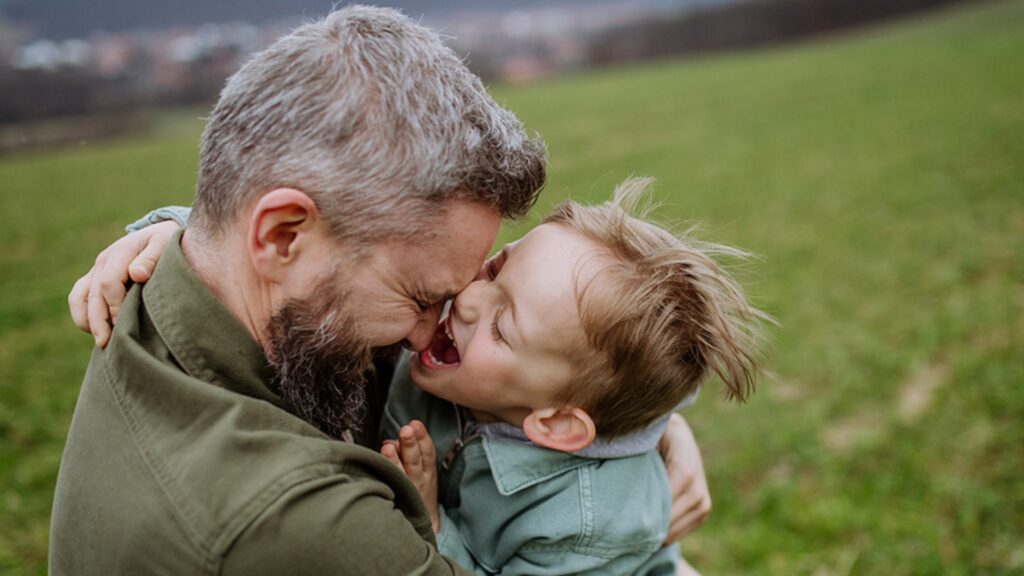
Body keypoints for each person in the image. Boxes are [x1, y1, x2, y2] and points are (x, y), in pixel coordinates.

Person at [57, 6, 710, 575]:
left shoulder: (190, 283)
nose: (435, 328)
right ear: (281, 237)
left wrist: (642, 435)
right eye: (423, 296)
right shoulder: (305, 520)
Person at [379, 178, 767, 575]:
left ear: (557, 422)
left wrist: (430, 523)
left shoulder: (587, 521)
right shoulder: (471, 364)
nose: (467, 299)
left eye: (501, 328)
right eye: (495, 271)